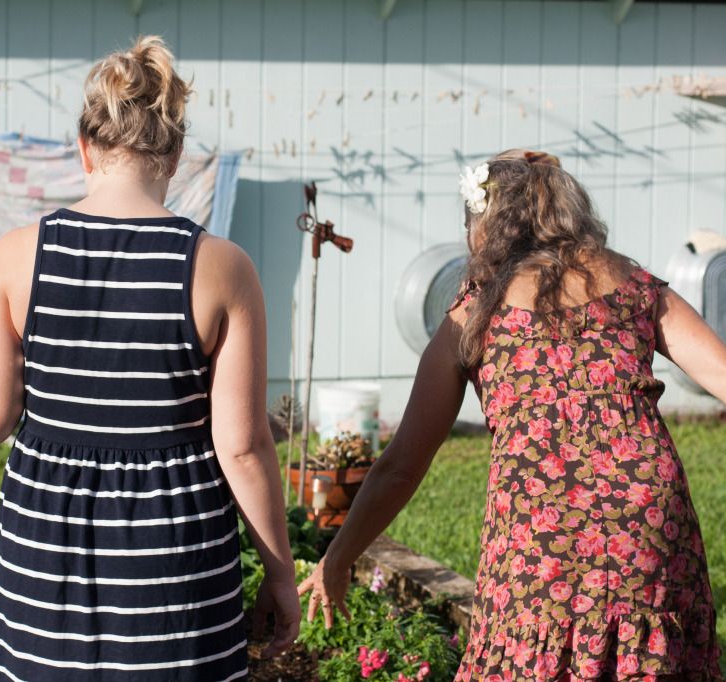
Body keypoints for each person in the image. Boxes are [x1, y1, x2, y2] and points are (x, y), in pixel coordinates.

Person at [0, 35, 299, 681]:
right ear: (175, 154)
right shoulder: (220, 267)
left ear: (84, 148)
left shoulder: (17, 255)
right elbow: (240, 447)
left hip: (47, 556)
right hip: (176, 560)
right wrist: (280, 573)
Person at [299, 149, 723, 679]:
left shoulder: (473, 312)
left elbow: (403, 463)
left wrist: (338, 557)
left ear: (486, 223)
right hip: (647, 522)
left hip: (537, 539)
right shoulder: (633, 284)